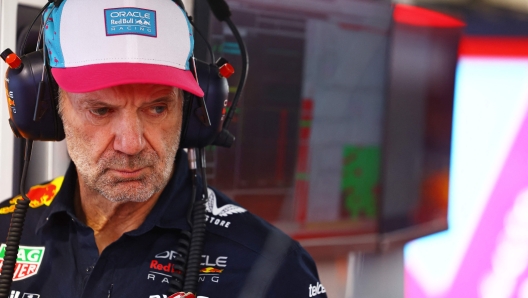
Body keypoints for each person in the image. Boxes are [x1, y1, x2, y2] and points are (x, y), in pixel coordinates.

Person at [0, 0, 328, 297]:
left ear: (192, 112)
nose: (131, 144)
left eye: (157, 108)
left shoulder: (272, 270)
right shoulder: (5, 230)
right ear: (44, 108)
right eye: (101, 111)